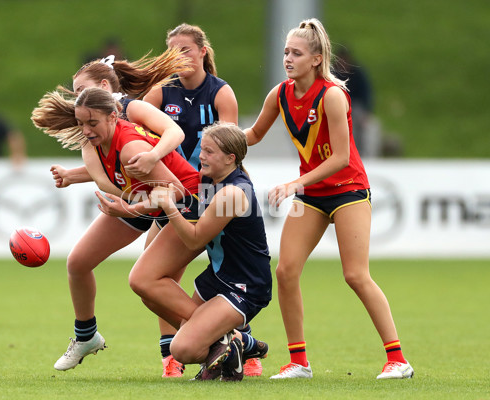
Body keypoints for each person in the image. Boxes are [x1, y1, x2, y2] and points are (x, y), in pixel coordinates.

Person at [243, 18, 414, 380]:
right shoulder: (279, 94)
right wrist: (211, 138)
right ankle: (298, 363)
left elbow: (339, 158)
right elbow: (253, 135)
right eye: (286, 51)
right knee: (286, 271)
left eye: (296, 53)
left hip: (348, 190)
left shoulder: (332, 95)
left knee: (355, 275)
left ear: (317, 59)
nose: (287, 58)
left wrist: (294, 183)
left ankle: (398, 359)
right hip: (313, 194)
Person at [31, 86, 204, 372]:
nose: (85, 130)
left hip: (192, 207)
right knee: (103, 271)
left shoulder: (131, 145)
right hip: (150, 203)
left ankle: (225, 337)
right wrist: (73, 177)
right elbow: (113, 179)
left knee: (146, 282)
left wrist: (129, 209)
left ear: (113, 115)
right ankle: (217, 339)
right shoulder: (101, 141)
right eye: (80, 123)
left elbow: (176, 190)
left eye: (92, 123)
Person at [142, 23, 267, 378]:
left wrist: (193, 186)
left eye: (186, 49)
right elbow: (133, 127)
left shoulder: (220, 92)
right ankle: (175, 356)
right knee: (151, 279)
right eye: (172, 51)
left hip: (208, 195)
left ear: (202, 52)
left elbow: (230, 148)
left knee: (230, 261)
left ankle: (235, 339)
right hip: (177, 194)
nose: (179, 57)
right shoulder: (161, 91)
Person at [138, 122, 272, 381]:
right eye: (203, 149)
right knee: (150, 295)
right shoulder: (210, 180)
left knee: (182, 348)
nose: (201, 155)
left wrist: (168, 206)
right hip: (217, 279)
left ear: (230, 158)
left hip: (245, 286)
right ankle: (233, 346)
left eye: (209, 151)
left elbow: (194, 239)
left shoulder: (233, 192)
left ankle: (236, 342)